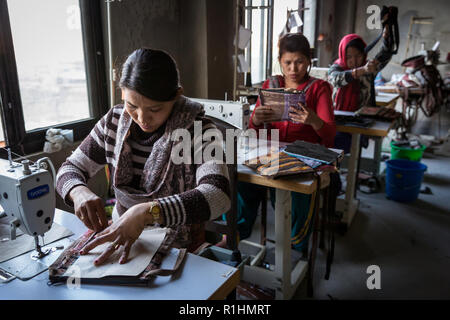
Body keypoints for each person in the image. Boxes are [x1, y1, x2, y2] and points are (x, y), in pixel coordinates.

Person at [56, 48, 231, 265]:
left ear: (176, 96)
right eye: (132, 105)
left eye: (155, 109)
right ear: (121, 93)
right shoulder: (113, 123)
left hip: (177, 248)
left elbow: (218, 195)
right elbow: (69, 169)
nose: (142, 118)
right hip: (123, 239)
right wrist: (78, 191)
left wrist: (148, 212)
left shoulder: (199, 131)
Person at [237, 33, 336, 252]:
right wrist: (255, 119)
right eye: (287, 62)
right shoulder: (271, 84)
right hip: (271, 153)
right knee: (240, 182)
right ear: (280, 61)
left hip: (304, 154)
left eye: (299, 62)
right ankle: (237, 233)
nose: (293, 68)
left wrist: (314, 120)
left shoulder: (319, 89)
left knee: (299, 196)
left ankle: (296, 247)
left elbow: (330, 136)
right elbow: (255, 132)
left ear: (309, 61)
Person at [328, 25, 394, 153]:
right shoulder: (337, 68)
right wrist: (361, 70)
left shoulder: (370, 67)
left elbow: (386, 53)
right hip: (338, 121)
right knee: (336, 147)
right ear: (342, 54)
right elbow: (336, 80)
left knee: (352, 146)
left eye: (358, 56)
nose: (354, 61)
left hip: (361, 121)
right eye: (349, 57)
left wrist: (387, 36)